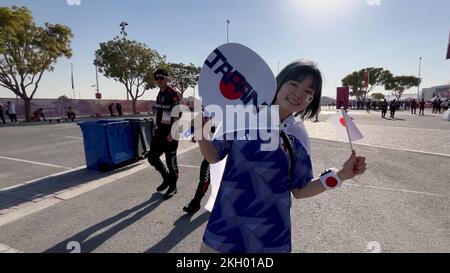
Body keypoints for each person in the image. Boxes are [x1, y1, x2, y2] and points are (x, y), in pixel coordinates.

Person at [196, 60, 366, 253]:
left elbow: (300, 190)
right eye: (293, 84)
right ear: (278, 84)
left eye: (308, 92)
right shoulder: (243, 116)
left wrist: (341, 175)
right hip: (225, 230)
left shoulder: (298, 136)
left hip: (271, 238)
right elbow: (213, 156)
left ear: (311, 100)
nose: (299, 94)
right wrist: (200, 134)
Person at [147, 68, 181, 199]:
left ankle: (173, 186)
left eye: (161, 78)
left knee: (171, 161)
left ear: (167, 78)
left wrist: (172, 133)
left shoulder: (173, 94)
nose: (158, 81)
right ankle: (166, 178)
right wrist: (156, 125)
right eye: (156, 78)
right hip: (160, 131)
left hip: (172, 132)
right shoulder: (159, 94)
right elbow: (160, 112)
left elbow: (178, 114)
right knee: (152, 157)